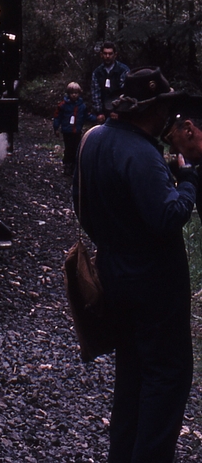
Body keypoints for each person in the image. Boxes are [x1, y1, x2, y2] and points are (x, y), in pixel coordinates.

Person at [75, 67, 197, 463]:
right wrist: (190, 181)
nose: (168, 117)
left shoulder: (95, 141)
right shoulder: (141, 153)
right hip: (154, 286)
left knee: (131, 377)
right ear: (151, 108)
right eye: (164, 107)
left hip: (115, 272)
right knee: (167, 378)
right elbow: (166, 216)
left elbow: (83, 209)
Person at [52, 81, 95, 174]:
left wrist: (96, 119)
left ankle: (75, 166)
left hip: (77, 131)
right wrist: (56, 128)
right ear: (68, 93)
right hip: (67, 131)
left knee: (77, 148)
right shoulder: (63, 105)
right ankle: (67, 165)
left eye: (76, 93)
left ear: (79, 93)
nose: (74, 95)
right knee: (68, 148)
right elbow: (57, 117)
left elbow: (87, 116)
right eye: (72, 93)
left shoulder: (82, 106)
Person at [91, 43, 130, 123]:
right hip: (104, 112)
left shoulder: (123, 70)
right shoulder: (97, 72)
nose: (107, 56)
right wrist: (99, 112)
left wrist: (117, 110)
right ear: (101, 55)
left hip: (121, 111)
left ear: (115, 55)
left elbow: (126, 91)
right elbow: (96, 94)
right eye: (105, 54)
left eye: (110, 54)